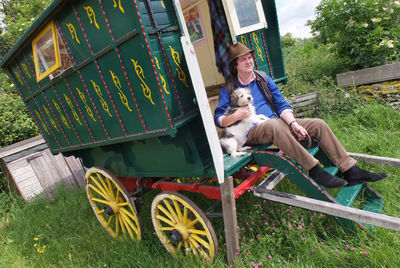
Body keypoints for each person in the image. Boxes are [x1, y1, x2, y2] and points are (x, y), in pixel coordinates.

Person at [214, 42, 387, 188]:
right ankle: (314, 170)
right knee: (274, 125)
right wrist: (237, 115)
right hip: (250, 131)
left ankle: (351, 171)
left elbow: (281, 104)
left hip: (276, 123)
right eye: (243, 59)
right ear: (236, 65)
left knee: (318, 124)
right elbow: (219, 119)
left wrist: (293, 124)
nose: (248, 61)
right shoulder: (229, 88)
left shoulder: (263, 78)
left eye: (250, 57)